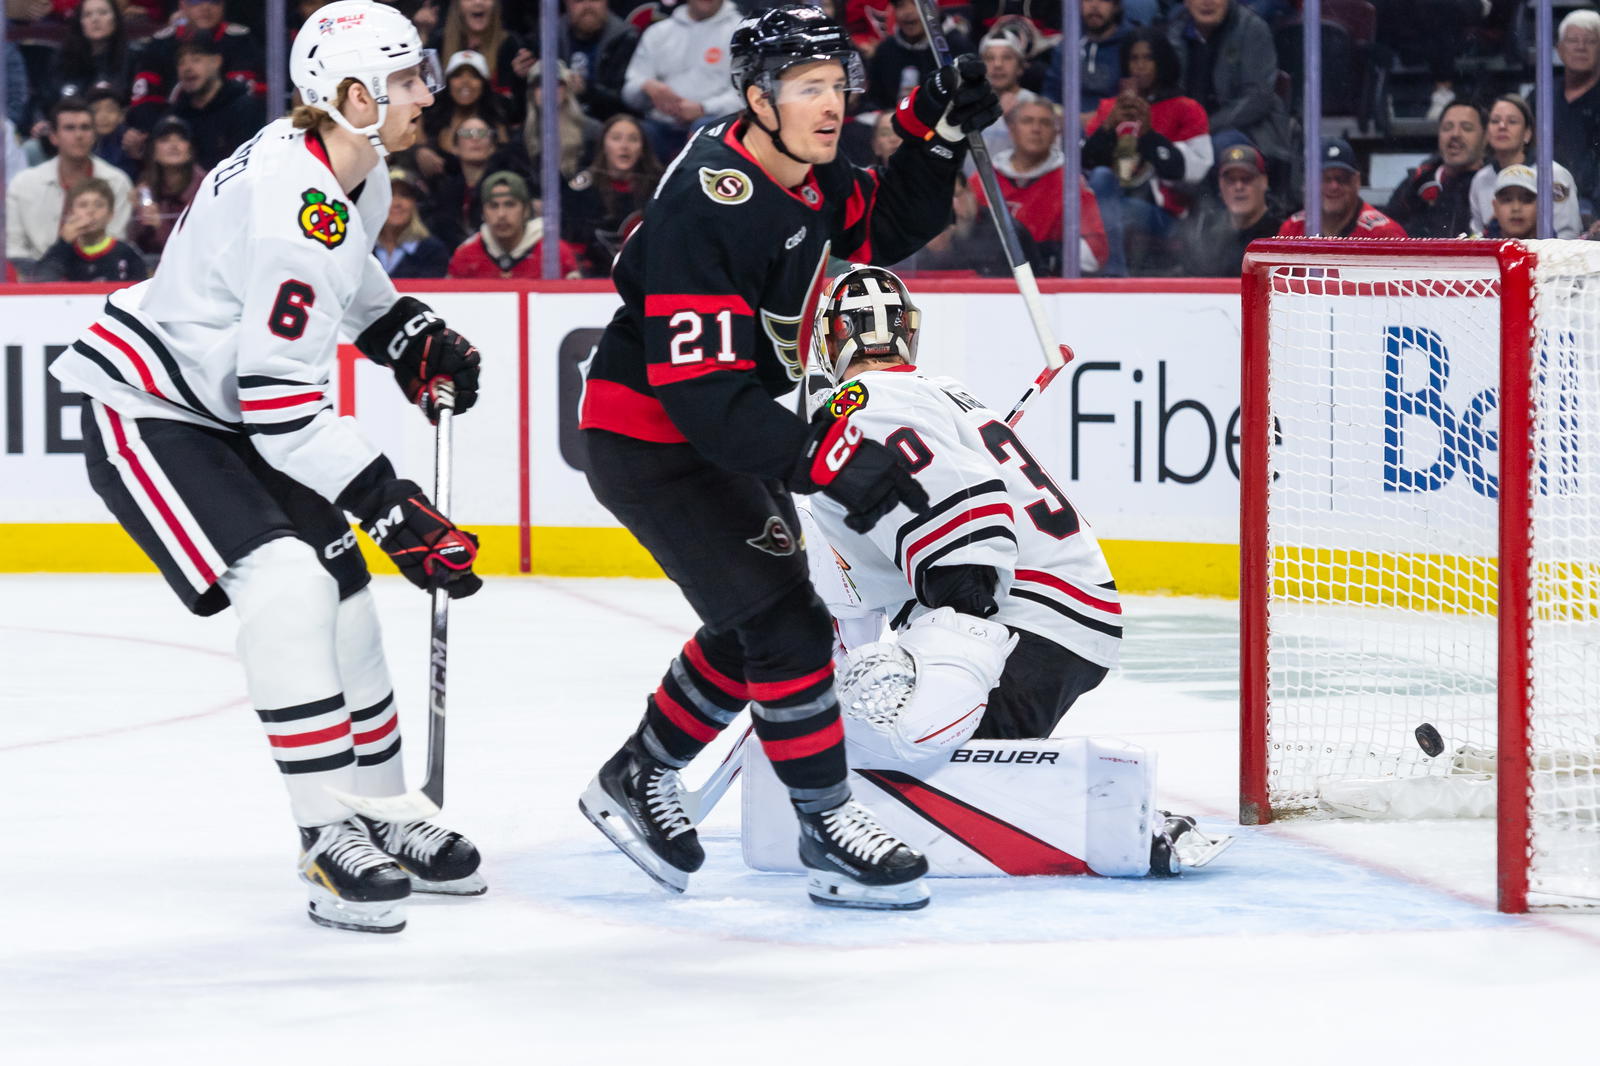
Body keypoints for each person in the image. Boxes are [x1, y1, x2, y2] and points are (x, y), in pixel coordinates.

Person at [46, 1, 487, 935]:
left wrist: (401, 330)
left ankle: (383, 805)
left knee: (345, 580)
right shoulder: (300, 197)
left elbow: (345, 267)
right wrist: (394, 507)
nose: (427, 93)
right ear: (355, 95)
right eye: (408, 80)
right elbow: (283, 405)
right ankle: (328, 833)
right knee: (288, 580)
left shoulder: (346, 168)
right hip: (153, 411)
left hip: (226, 406)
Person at [575, 5, 1001, 911]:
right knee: (787, 628)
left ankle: (637, 776)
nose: (832, 103)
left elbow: (879, 229)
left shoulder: (805, 175)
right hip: (652, 443)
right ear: (758, 98)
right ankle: (827, 820)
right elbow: (698, 392)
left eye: (837, 85)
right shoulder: (709, 202)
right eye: (807, 88)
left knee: (753, 621)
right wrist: (826, 459)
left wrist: (938, 130)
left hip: (713, 434)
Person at [733, 265, 1226, 877]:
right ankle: (1104, 806)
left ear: (828, 340)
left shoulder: (863, 402)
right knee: (911, 745)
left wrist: (958, 613)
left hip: (1015, 618)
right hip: (1064, 614)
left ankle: (1127, 819)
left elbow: (966, 518)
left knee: (912, 754)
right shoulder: (939, 390)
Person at [1082, 27, 1209, 275]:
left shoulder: (1186, 109)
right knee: (1101, 180)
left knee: (1118, 209)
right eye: (1134, 58)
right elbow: (1087, 164)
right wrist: (1109, 126)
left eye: (1148, 58)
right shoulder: (1110, 108)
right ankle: (1114, 271)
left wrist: (1149, 136)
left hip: (1165, 215)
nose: (1140, 66)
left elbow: (1193, 171)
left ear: (1161, 61)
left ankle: (1112, 273)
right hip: (1111, 203)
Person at [973, 98, 1110, 275]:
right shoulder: (983, 179)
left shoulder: (1070, 184)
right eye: (1027, 121)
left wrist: (1050, 254)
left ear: (1056, 133)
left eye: (1044, 123)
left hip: (1046, 285)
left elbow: (1096, 251)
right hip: (986, 283)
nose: (1036, 129)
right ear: (1012, 129)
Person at [1166, 0, 1291, 174]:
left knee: (1220, 147)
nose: (1206, 3)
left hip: (1247, 132)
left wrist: (1204, 129)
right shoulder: (1175, 31)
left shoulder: (1251, 28)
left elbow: (1258, 97)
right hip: (1189, 132)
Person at [6, 99, 134, 266]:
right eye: (69, 128)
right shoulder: (23, 184)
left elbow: (117, 241)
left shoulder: (117, 182)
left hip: (101, 276)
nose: (79, 135)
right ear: (53, 136)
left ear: (94, 135)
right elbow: (15, 249)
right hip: (36, 281)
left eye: (85, 127)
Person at [621, 0, 745, 162]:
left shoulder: (740, 33)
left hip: (714, 124)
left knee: (704, 128)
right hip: (659, 124)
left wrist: (704, 108)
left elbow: (745, 94)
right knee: (632, 132)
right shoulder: (658, 32)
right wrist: (647, 86)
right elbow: (629, 93)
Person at [129, 0, 265, 120]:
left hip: (229, 126)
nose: (206, 7)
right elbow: (144, 101)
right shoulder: (161, 43)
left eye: (214, 1)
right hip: (172, 131)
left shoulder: (241, 40)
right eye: (196, 1)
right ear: (182, 5)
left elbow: (248, 95)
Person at [1468, 95, 1581, 239]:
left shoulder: (1553, 174)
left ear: (1527, 133)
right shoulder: (1480, 179)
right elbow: (1477, 236)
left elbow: (1568, 236)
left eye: (1512, 121)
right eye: (1495, 121)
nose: (1502, 126)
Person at [563, 113, 662, 277]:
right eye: (616, 138)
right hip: (592, 278)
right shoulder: (582, 189)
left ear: (643, 148)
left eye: (633, 139)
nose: (625, 146)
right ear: (603, 146)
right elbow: (572, 241)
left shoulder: (658, 188)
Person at [897, 169, 1040, 276]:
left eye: (954, 195)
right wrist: (936, 252)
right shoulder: (905, 236)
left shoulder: (1006, 234)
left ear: (970, 192)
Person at [446, 169, 580, 278]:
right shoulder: (466, 256)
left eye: (510, 205)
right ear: (483, 213)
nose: (501, 214)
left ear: (526, 210)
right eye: (493, 206)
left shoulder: (555, 253)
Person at [1383, 101, 1486, 239]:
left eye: (1466, 128)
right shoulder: (1416, 183)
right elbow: (1386, 234)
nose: (1455, 134)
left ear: (1485, 137)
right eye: (1447, 128)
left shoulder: (1496, 185)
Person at [1179, 142, 1281, 277]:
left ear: (1264, 181)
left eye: (1246, 179)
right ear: (1220, 185)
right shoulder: (1206, 236)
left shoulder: (1281, 235)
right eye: (1231, 180)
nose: (1238, 187)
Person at [167, 36, 269, 169]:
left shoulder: (245, 108)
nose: (187, 68)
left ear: (216, 61)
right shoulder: (176, 116)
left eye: (196, 60)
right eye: (181, 63)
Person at [1279, 137, 1407, 239]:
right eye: (1324, 179)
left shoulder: (1384, 235)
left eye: (1342, 179)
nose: (1334, 186)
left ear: (1357, 182)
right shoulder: (1293, 229)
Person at [31, 177, 148, 282]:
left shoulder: (127, 253)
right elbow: (41, 283)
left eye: (99, 205)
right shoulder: (62, 252)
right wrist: (63, 242)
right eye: (83, 205)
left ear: (110, 215)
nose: (91, 211)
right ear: (71, 213)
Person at [864, 0, 974, 111]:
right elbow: (873, 100)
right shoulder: (886, 49)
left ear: (933, 8)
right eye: (900, 5)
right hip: (892, 121)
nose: (908, 12)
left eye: (915, 4)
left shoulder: (957, 46)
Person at [126, 115, 206, 259]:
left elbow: (201, 243)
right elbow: (132, 244)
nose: (174, 145)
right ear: (153, 151)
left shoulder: (205, 186)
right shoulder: (145, 186)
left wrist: (160, 226)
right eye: (165, 140)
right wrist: (136, 213)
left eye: (181, 139)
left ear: (190, 149)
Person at [550, 0, 641, 122]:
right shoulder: (549, 37)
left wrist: (587, 90)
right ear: (566, 4)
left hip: (610, 124)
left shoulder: (627, 39)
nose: (588, 6)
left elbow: (627, 102)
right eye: (579, 1)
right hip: (559, 122)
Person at [1044, 0, 1131, 124]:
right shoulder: (1066, 46)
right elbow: (1051, 93)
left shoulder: (1130, 45)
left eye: (1103, 0)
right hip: (1066, 127)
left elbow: (1131, 100)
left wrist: (1093, 119)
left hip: (1113, 127)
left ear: (1116, 6)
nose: (1094, 5)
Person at [1552, 10, 1600, 217]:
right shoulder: (1543, 94)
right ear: (1559, 49)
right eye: (1573, 40)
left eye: (1590, 41)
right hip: (1547, 199)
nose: (1581, 47)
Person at [523, 59, 602, 184]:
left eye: (555, 83)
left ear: (566, 90)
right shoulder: (524, 136)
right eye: (540, 84)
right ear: (532, 93)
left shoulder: (591, 131)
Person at [376, 167, 452, 277]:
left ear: (415, 204)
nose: (397, 203)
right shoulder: (363, 249)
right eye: (390, 194)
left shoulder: (433, 251)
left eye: (405, 195)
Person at [976, 28, 1038, 159]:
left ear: (1020, 67)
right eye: (989, 58)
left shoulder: (1034, 105)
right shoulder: (967, 104)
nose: (998, 64)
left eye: (1007, 57)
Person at [1486, 163, 1538, 240]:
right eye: (1507, 200)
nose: (1516, 208)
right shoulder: (1474, 250)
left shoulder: (1557, 250)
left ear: (1541, 208)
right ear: (1495, 208)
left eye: (1526, 200)